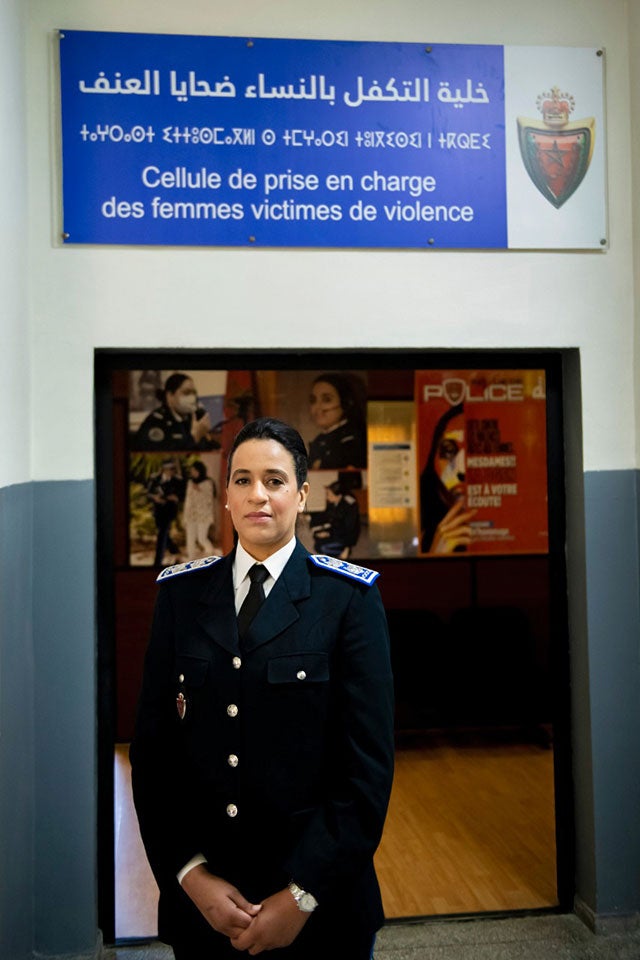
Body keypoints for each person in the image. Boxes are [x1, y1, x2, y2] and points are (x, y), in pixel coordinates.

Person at [130, 417, 395, 960]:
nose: (258, 495)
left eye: (275, 481)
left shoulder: (347, 601)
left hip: (321, 903)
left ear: (301, 495)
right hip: (208, 903)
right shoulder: (180, 598)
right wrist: (190, 874)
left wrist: (301, 895)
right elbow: (155, 757)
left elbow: (366, 772)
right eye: (243, 480)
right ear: (225, 495)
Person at [419, 403, 477, 554]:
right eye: (449, 451)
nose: (462, 471)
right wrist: (437, 553)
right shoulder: (417, 527)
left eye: (475, 452)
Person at [132, 372, 219, 451]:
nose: (192, 398)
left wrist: (208, 438)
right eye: (186, 393)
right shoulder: (156, 420)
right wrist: (195, 437)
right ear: (170, 396)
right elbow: (165, 453)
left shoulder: (192, 418)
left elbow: (210, 448)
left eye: (194, 393)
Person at [307, 373, 367, 470]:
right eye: (313, 400)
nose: (317, 407)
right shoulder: (319, 441)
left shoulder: (354, 438)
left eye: (327, 400)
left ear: (346, 403)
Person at [307, 480, 361, 559]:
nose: (327, 497)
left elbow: (349, 528)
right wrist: (311, 517)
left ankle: (346, 549)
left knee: (321, 547)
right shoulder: (334, 501)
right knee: (317, 537)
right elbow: (327, 515)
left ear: (338, 496)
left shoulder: (349, 506)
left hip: (346, 536)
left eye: (329, 494)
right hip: (336, 531)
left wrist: (329, 534)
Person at [146, 459, 185, 567]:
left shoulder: (178, 480)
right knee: (163, 534)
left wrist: (175, 498)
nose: (171, 471)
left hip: (169, 511)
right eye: (168, 469)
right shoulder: (155, 479)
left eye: (172, 469)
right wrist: (155, 497)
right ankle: (175, 551)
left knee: (162, 533)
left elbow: (182, 495)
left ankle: (157, 561)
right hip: (158, 510)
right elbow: (148, 493)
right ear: (164, 469)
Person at [183, 460, 218, 561]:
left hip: (204, 516)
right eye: (192, 470)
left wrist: (199, 490)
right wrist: (185, 517)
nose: (193, 472)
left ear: (200, 470)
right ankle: (191, 560)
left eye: (195, 470)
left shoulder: (208, 482)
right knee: (190, 539)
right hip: (191, 515)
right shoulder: (190, 482)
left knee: (201, 538)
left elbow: (210, 499)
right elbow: (188, 500)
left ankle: (211, 556)